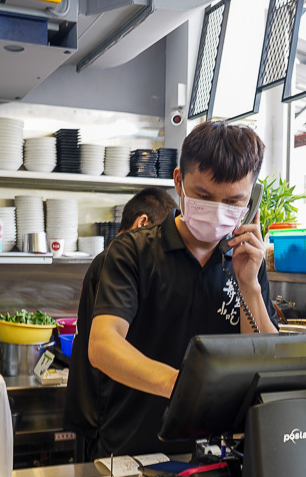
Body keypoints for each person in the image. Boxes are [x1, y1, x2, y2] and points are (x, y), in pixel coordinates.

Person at [86, 121, 279, 459]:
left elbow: (268, 366)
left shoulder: (247, 259)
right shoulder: (133, 252)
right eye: (204, 196)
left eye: (234, 201)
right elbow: (103, 345)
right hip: (136, 452)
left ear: (252, 200)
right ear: (178, 182)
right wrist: (182, 385)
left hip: (220, 457)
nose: (218, 211)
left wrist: (250, 287)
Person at [63, 187, 177, 461]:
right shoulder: (118, 260)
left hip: (94, 412)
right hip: (103, 416)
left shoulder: (105, 261)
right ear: (143, 223)